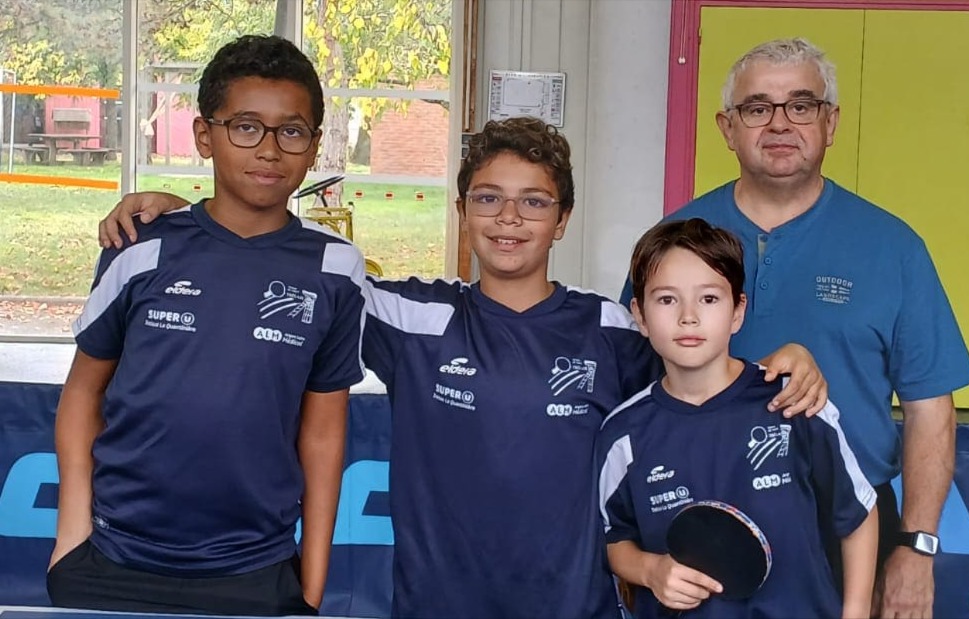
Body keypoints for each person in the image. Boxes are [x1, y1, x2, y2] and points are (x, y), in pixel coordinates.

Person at [97, 117, 827, 619]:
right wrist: (194, 213)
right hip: (437, 603)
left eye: (533, 202)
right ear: (461, 211)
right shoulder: (410, 317)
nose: (509, 219)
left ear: (562, 219)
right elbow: (287, 263)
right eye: (489, 199)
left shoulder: (611, 329)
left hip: (573, 605)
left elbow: (703, 367)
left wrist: (787, 358)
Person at [621, 38, 969, 617]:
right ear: (727, 127)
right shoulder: (675, 240)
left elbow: (929, 408)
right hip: (695, 526)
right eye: (757, 107)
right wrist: (637, 556)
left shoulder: (892, 248)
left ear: (830, 123)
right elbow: (634, 383)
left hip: (845, 529)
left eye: (802, 105)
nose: (780, 123)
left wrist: (916, 548)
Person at [47, 35, 366, 615]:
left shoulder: (336, 269)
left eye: (291, 131)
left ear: (314, 145)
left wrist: (311, 586)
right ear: (204, 136)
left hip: (255, 570)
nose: (268, 149)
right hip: (112, 560)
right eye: (245, 127)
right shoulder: (139, 246)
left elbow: (323, 433)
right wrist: (71, 535)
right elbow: (83, 391)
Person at [601, 218, 878, 618]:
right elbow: (614, 538)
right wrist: (650, 570)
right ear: (640, 316)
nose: (689, 316)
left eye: (709, 298)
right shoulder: (624, 433)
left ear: (737, 311)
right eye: (667, 300)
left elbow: (858, 514)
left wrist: (855, 613)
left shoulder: (792, 401)